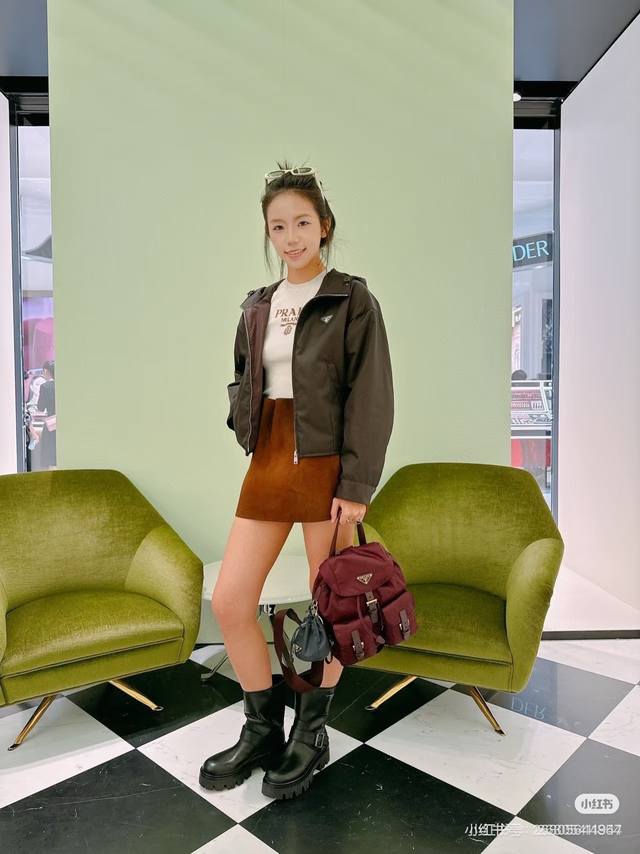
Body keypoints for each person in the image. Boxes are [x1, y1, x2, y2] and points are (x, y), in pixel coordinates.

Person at [199, 161, 394, 800]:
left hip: (329, 465)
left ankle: (311, 732)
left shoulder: (351, 300)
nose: (291, 237)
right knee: (231, 601)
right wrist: (245, 422)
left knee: (331, 605)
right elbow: (243, 377)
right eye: (278, 226)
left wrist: (356, 485)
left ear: (324, 226)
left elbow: (371, 396)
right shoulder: (258, 305)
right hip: (271, 458)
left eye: (302, 223)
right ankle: (261, 727)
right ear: (268, 232)